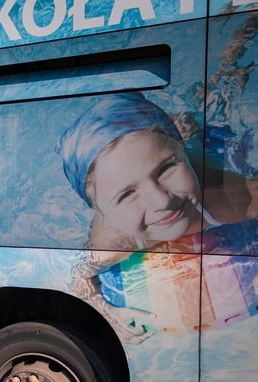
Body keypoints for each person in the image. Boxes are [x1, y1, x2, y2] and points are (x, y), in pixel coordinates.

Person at [58, 92, 258, 341]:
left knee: (197, 125)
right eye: (127, 194)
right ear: (102, 212)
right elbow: (78, 275)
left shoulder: (224, 199)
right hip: (163, 148)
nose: (162, 201)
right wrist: (107, 313)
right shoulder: (113, 241)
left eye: (166, 169)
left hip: (195, 154)